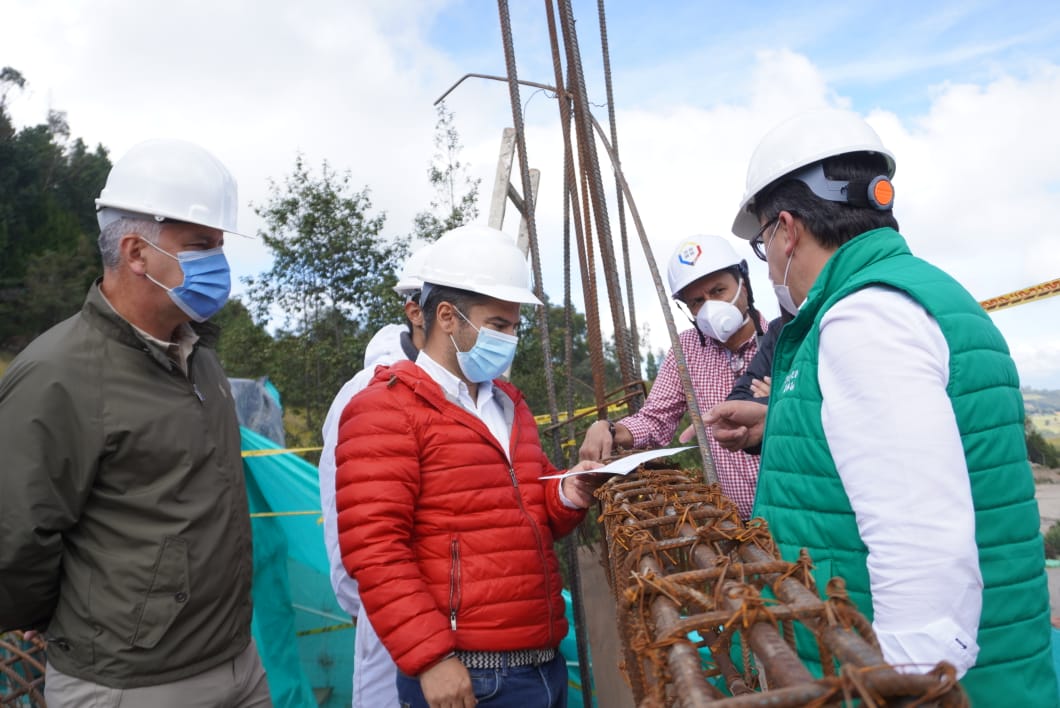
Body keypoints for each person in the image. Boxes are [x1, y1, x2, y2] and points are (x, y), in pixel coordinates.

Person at [713, 107, 1055, 704]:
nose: (768, 261)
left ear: (787, 229)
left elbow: (921, 547)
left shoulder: (863, 317)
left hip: (919, 681)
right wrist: (782, 419)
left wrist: (900, 687)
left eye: (763, 240)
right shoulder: (918, 295)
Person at [0, 139, 271, 707]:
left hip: (238, 662)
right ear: (136, 251)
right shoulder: (58, 374)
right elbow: (18, 539)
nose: (218, 264)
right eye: (200, 246)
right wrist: (72, 624)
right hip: (130, 683)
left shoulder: (200, 358)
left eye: (220, 247)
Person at [334, 225, 604, 708]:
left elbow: (526, 504)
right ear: (447, 317)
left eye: (514, 327)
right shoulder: (386, 409)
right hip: (468, 675)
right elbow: (374, 548)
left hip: (541, 662)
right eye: (499, 325)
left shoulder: (507, 405)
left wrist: (567, 492)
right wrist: (431, 659)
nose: (510, 339)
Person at [579, 234, 768, 520]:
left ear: (745, 282)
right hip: (737, 523)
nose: (709, 307)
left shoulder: (783, 338)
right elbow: (655, 420)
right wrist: (609, 429)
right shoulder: (687, 350)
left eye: (718, 291)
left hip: (797, 510)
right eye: (696, 302)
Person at [318, 244, 432, 707]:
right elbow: (349, 531)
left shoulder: (473, 389)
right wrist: (377, 608)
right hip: (392, 620)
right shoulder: (365, 395)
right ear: (417, 312)